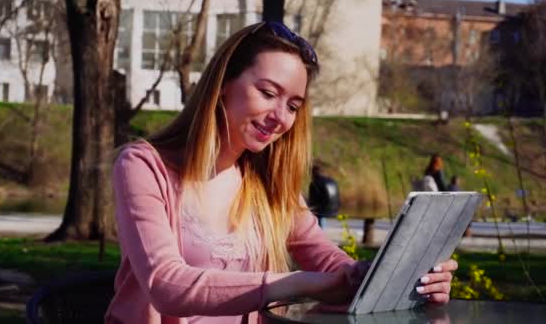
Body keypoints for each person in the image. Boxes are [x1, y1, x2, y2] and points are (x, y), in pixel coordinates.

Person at [105, 22, 457, 324]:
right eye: (267, 92)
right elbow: (167, 286)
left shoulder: (267, 185)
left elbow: (331, 264)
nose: (280, 117)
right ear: (223, 84)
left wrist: (401, 281)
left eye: (292, 106)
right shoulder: (144, 166)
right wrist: (293, 284)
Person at [308, 163, 340, 227]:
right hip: (335, 208)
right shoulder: (331, 180)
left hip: (323, 210)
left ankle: (319, 230)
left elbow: (313, 199)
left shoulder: (315, 183)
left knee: (313, 211)